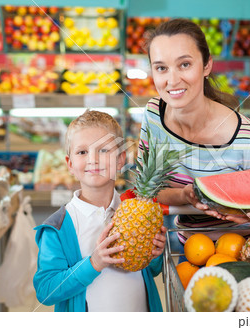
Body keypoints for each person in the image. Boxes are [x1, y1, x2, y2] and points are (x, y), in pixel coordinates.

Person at [138, 18, 250, 245]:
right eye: (161, 68)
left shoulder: (247, 137)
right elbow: (149, 189)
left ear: (207, 65)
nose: (172, 80)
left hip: (245, 250)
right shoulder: (153, 115)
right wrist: (184, 195)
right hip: (187, 247)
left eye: (184, 64)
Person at [33, 110, 166, 312]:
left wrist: (155, 255)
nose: (93, 159)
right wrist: (94, 263)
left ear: (121, 159)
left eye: (103, 150)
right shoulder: (58, 227)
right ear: (70, 164)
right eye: (82, 152)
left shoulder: (137, 213)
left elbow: (150, 271)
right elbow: (46, 291)